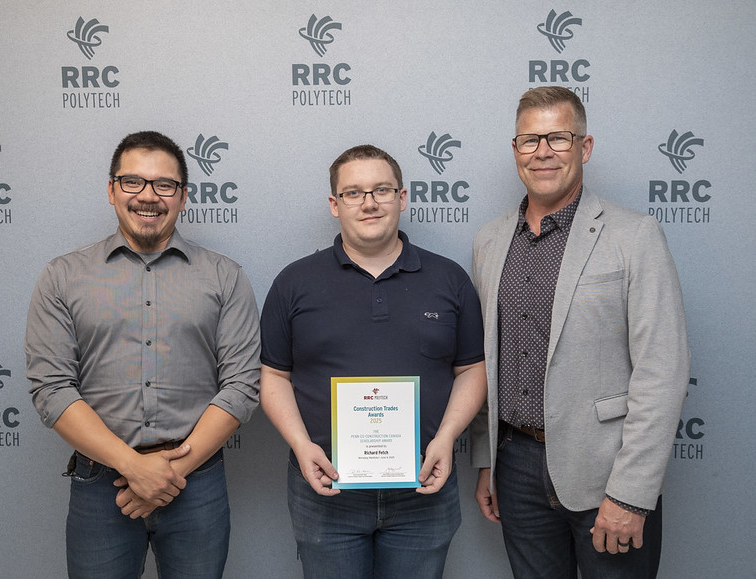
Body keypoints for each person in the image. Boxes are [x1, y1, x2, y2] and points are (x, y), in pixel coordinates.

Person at [470, 86, 690, 578]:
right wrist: (487, 457)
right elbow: (488, 360)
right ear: (515, 152)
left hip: (607, 471)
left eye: (559, 138)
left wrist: (630, 492)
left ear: (584, 148)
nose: (543, 151)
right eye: (530, 140)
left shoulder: (635, 236)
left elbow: (663, 370)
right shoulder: (488, 240)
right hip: (517, 467)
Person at [24, 131, 261, 578]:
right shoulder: (62, 277)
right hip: (101, 484)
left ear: (184, 196)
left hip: (197, 481)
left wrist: (166, 476)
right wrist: (134, 467)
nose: (148, 196)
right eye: (133, 182)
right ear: (112, 190)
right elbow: (52, 389)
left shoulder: (225, 277)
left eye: (164, 185)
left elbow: (242, 385)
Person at [260, 144, 486, 578]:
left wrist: (447, 438)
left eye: (381, 190)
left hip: (424, 488)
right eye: (353, 192)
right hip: (325, 489)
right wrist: (301, 445)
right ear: (334, 204)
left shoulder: (449, 279)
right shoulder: (294, 282)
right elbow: (272, 376)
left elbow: (472, 369)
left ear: (402, 198)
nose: (368, 202)